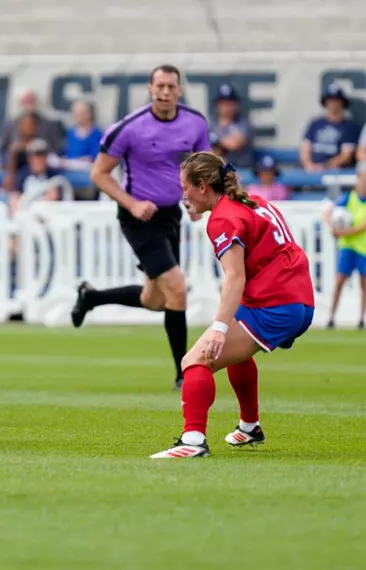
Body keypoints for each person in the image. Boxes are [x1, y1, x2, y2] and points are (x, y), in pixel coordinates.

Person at [152, 152, 314, 458]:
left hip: (274, 302)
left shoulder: (223, 218)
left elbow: (235, 278)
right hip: (298, 299)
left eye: (185, 187)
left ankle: (193, 441)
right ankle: (250, 426)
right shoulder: (253, 200)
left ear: (202, 186)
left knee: (194, 362)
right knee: (237, 354)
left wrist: (218, 328)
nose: (182, 194)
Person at [70, 64, 211, 390]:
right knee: (177, 287)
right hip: (138, 218)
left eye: (171, 86)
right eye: (159, 86)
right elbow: (99, 174)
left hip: (169, 216)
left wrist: (196, 202)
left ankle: (91, 297)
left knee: (155, 299)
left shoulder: (196, 122)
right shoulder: (130, 128)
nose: (165, 92)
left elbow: (204, 167)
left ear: (179, 90)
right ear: (150, 89)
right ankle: (184, 373)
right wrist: (132, 204)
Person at [324, 165, 366, 330]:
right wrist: (332, 228)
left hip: (364, 248)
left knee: (364, 283)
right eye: (364, 180)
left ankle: (362, 318)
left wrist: (344, 232)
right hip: (347, 247)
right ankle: (331, 316)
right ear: (358, 181)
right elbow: (328, 212)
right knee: (340, 281)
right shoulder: (348, 198)